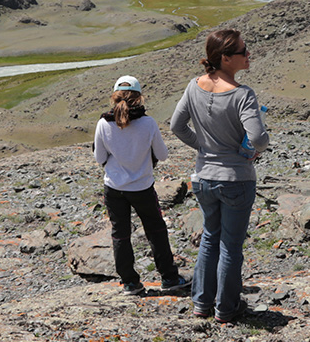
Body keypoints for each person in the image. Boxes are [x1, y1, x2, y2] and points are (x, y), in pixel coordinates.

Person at [170, 29, 268, 324]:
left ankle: (201, 304)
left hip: (203, 178)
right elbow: (259, 139)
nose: (248, 54)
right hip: (236, 179)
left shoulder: (193, 86)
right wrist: (252, 152)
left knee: (210, 238)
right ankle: (227, 308)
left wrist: (203, 147)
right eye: (243, 51)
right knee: (230, 245)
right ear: (226, 58)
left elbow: (177, 126)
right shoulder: (242, 95)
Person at [93, 74, 189, 296]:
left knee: (120, 234)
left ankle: (129, 282)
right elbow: (162, 155)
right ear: (140, 98)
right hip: (143, 187)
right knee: (156, 230)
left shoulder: (103, 123)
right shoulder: (148, 123)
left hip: (114, 188)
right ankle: (169, 278)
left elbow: (99, 158)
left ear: (114, 97)